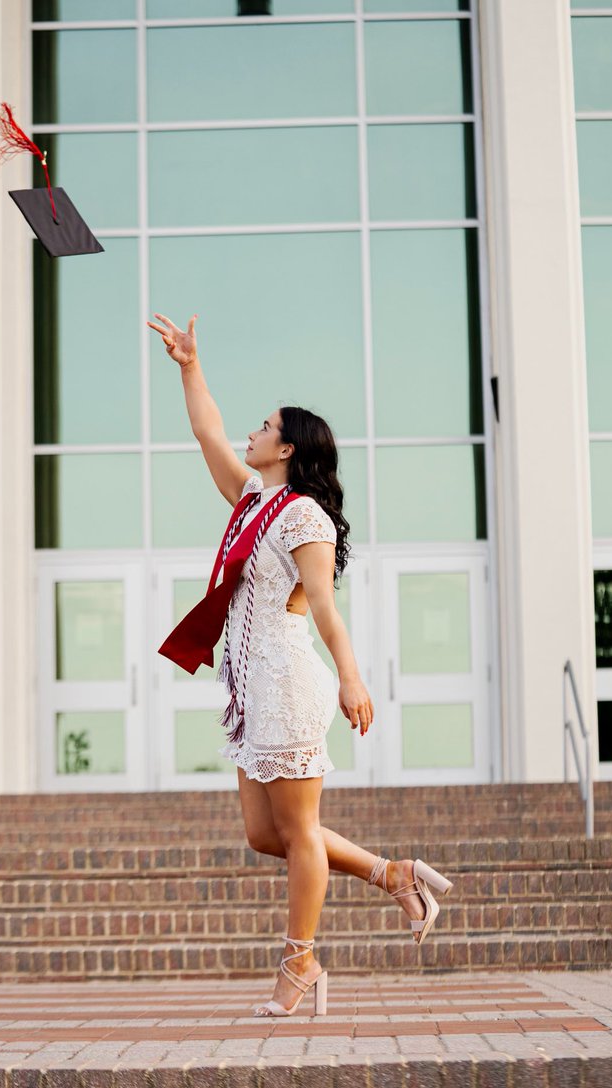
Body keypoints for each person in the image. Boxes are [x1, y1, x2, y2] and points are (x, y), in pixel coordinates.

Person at [147, 312, 453, 1018]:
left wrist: (350, 676)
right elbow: (205, 432)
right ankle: (394, 874)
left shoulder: (305, 518)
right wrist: (190, 366)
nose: (249, 434)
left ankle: (300, 963)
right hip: (250, 688)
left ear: (285, 448)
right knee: (268, 835)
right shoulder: (256, 500)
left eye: (262, 427)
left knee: (299, 830)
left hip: (287, 681)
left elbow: (323, 605)